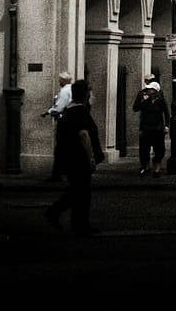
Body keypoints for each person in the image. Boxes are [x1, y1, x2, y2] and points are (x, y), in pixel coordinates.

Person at [44, 79, 103, 234]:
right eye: (90, 93)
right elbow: (84, 135)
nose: (92, 96)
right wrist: (91, 158)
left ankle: (61, 215)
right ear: (86, 95)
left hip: (68, 157)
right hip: (78, 158)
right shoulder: (81, 112)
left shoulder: (68, 112)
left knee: (76, 190)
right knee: (83, 192)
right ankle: (78, 224)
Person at [133, 75, 171, 174]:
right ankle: (145, 166)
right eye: (148, 81)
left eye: (151, 81)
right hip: (146, 127)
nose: (148, 86)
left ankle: (157, 166)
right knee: (144, 149)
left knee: (159, 148)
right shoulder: (142, 95)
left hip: (158, 127)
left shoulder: (160, 98)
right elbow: (136, 108)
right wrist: (143, 100)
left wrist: (166, 125)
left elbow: (166, 112)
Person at [44, 70, 72, 179]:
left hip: (63, 120)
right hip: (70, 120)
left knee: (60, 148)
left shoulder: (64, 91)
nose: (59, 81)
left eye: (60, 79)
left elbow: (59, 107)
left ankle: (57, 174)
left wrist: (49, 112)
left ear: (64, 80)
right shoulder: (72, 89)